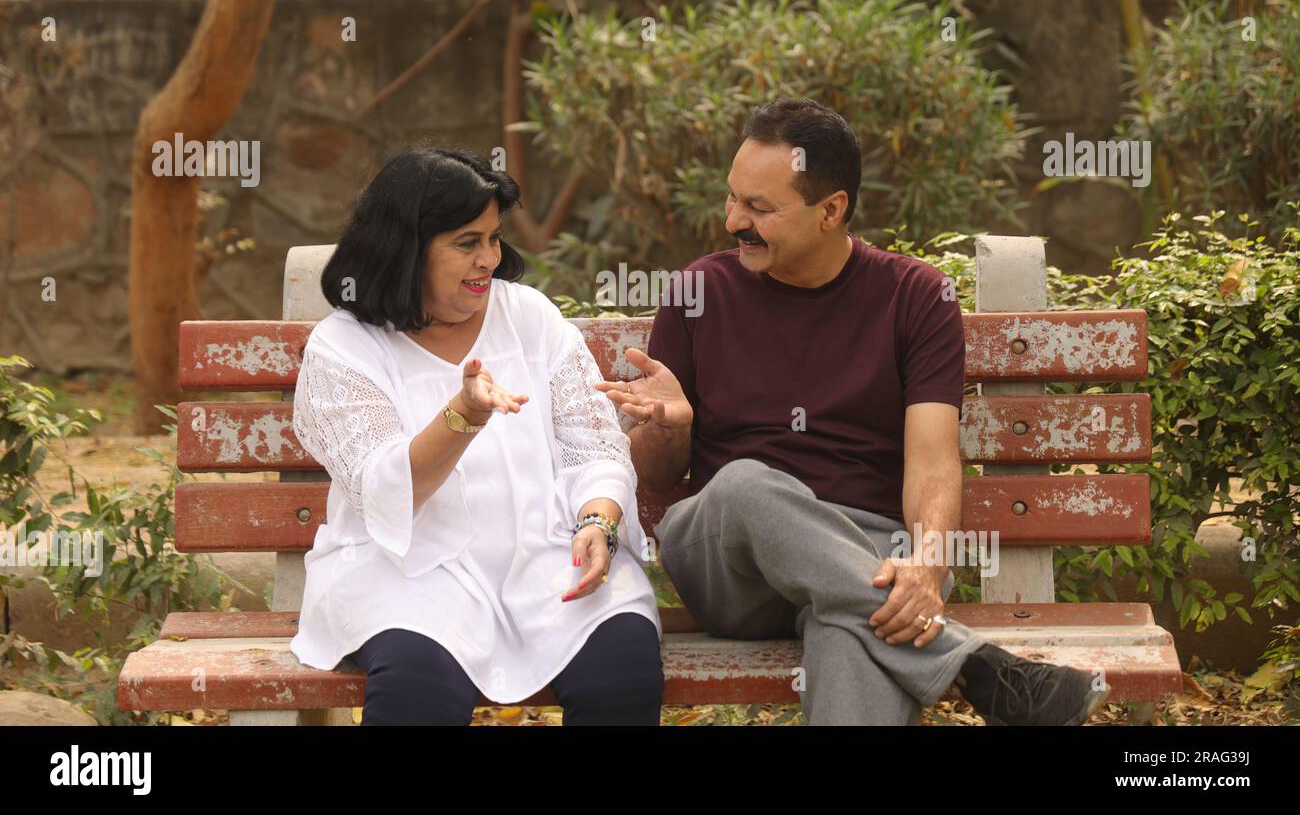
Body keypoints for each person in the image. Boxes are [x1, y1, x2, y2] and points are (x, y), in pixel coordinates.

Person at [597, 97, 1110, 726]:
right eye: (733, 198)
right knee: (746, 484)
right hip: (732, 566)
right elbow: (654, 476)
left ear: (831, 209)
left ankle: (940, 640)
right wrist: (664, 427)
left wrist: (924, 563)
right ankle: (978, 668)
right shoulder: (700, 291)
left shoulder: (915, 296)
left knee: (861, 625)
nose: (734, 221)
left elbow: (932, 462)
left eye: (760, 208)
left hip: (876, 560)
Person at [288, 145, 664, 725]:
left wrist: (598, 518)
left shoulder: (531, 317)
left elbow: (593, 447)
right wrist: (462, 415)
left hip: (547, 559)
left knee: (622, 670)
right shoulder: (345, 347)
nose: (489, 257)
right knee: (418, 690)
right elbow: (385, 489)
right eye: (467, 243)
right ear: (405, 248)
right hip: (408, 577)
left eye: (493, 238)